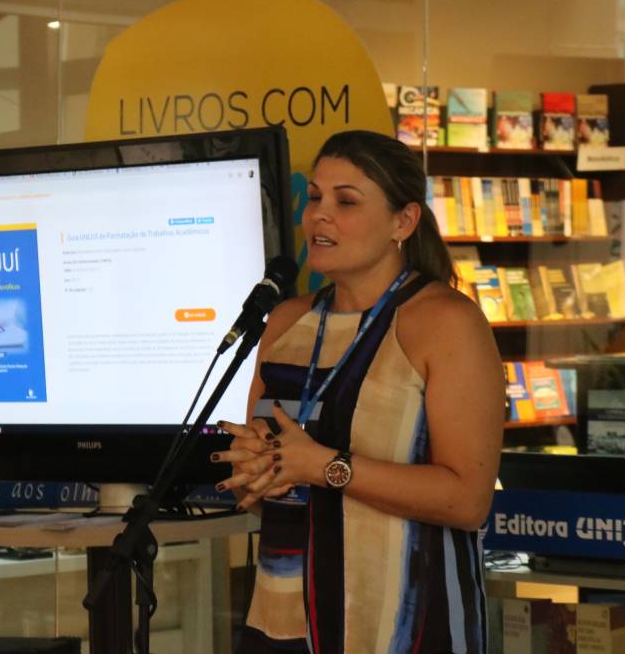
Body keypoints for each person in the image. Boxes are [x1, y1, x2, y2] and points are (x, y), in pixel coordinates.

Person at [215, 130, 504, 654]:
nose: (319, 215)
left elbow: (468, 501)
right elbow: (260, 495)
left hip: (403, 624)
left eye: (346, 201)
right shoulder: (285, 322)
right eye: (315, 197)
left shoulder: (447, 322)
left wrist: (325, 466)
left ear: (404, 221)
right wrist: (254, 471)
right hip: (284, 618)